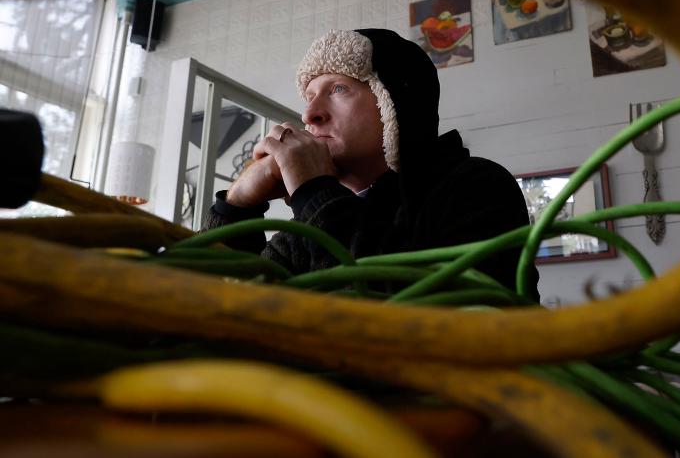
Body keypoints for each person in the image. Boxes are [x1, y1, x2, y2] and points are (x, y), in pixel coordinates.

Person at [204, 28, 538, 298]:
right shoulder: (309, 228)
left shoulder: (477, 186)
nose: (309, 114)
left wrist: (314, 192)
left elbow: (423, 322)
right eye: (309, 96)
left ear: (394, 104)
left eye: (338, 88)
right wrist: (235, 209)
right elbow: (219, 310)